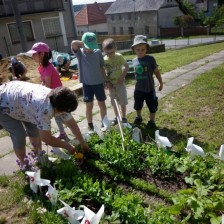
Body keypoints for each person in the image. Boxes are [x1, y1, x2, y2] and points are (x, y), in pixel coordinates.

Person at [0, 81, 89, 169]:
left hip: (22, 102)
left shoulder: (59, 99)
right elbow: (46, 138)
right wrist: (68, 146)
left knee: (35, 131)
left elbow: (72, 124)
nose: (65, 114)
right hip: (3, 102)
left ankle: (39, 157)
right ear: (57, 109)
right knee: (19, 134)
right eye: (64, 112)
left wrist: (82, 142)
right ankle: (24, 164)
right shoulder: (45, 110)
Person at [27, 42, 68, 139]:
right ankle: (63, 133)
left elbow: (48, 86)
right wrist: (41, 85)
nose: (32, 56)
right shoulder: (41, 67)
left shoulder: (48, 68)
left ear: (42, 54)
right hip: (52, 94)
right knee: (58, 116)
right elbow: (44, 82)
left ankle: (71, 132)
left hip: (57, 95)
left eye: (34, 54)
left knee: (64, 115)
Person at [71, 32, 107, 131]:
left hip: (99, 83)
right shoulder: (80, 53)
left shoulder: (98, 52)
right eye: (88, 46)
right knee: (89, 105)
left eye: (92, 46)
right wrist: (83, 44)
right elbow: (74, 43)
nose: (89, 49)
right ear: (82, 44)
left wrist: (106, 80)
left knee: (102, 104)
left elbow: (101, 68)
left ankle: (104, 122)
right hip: (87, 85)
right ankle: (90, 125)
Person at [131, 35, 163, 128]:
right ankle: (138, 117)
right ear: (134, 49)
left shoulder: (150, 59)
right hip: (138, 89)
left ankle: (152, 121)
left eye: (143, 49)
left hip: (150, 89)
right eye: (138, 49)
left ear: (146, 49)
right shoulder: (133, 61)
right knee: (137, 105)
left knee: (152, 106)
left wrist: (161, 83)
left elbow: (156, 72)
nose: (140, 51)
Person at [102, 38, 129, 125]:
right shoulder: (104, 60)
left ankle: (124, 117)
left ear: (115, 49)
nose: (109, 54)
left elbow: (127, 67)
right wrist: (107, 82)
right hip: (111, 85)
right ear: (104, 50)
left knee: (122, 101)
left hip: (120, 84)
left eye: (112, 52)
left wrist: (122, 76)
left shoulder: (119, 57)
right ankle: (117, 117)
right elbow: (103, 72)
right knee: (114, 103)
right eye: (107, 52)